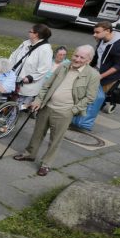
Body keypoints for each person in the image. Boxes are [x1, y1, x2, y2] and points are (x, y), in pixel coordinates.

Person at [14, 45, 100, 176]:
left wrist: (73, 110)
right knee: (37, 132)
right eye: (76, 55)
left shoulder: (93, 75)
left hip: (65, 112)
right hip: (46, 106)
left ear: (89, 60)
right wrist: (38, 100)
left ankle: (46, 164)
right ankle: (29, 154)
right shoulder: (64, 66)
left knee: (55, 139)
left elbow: (90, 97)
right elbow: (47, 85)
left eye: (82, 57)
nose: (77, 59)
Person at [72, 21, 120, 129]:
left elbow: (119, 66)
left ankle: (83, 123)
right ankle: (77, 119)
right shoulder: (103, 39)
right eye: (94, 32)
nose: (94, 35)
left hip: (109, 76)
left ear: (107, 31)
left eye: (97, 32)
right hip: (97, 71)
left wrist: (101, 76)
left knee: (94, 98)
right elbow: (98, 56)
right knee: (85, 94)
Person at [9, 23, 53, 106]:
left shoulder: (45, 50)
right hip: (13, 81)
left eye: (30, 31)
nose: (28, 32)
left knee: (16, 108)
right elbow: (14, 55)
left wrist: (30, 78)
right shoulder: (26, 43)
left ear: (36, 34)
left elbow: (44, 69)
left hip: (27, 87)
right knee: (8, 105)